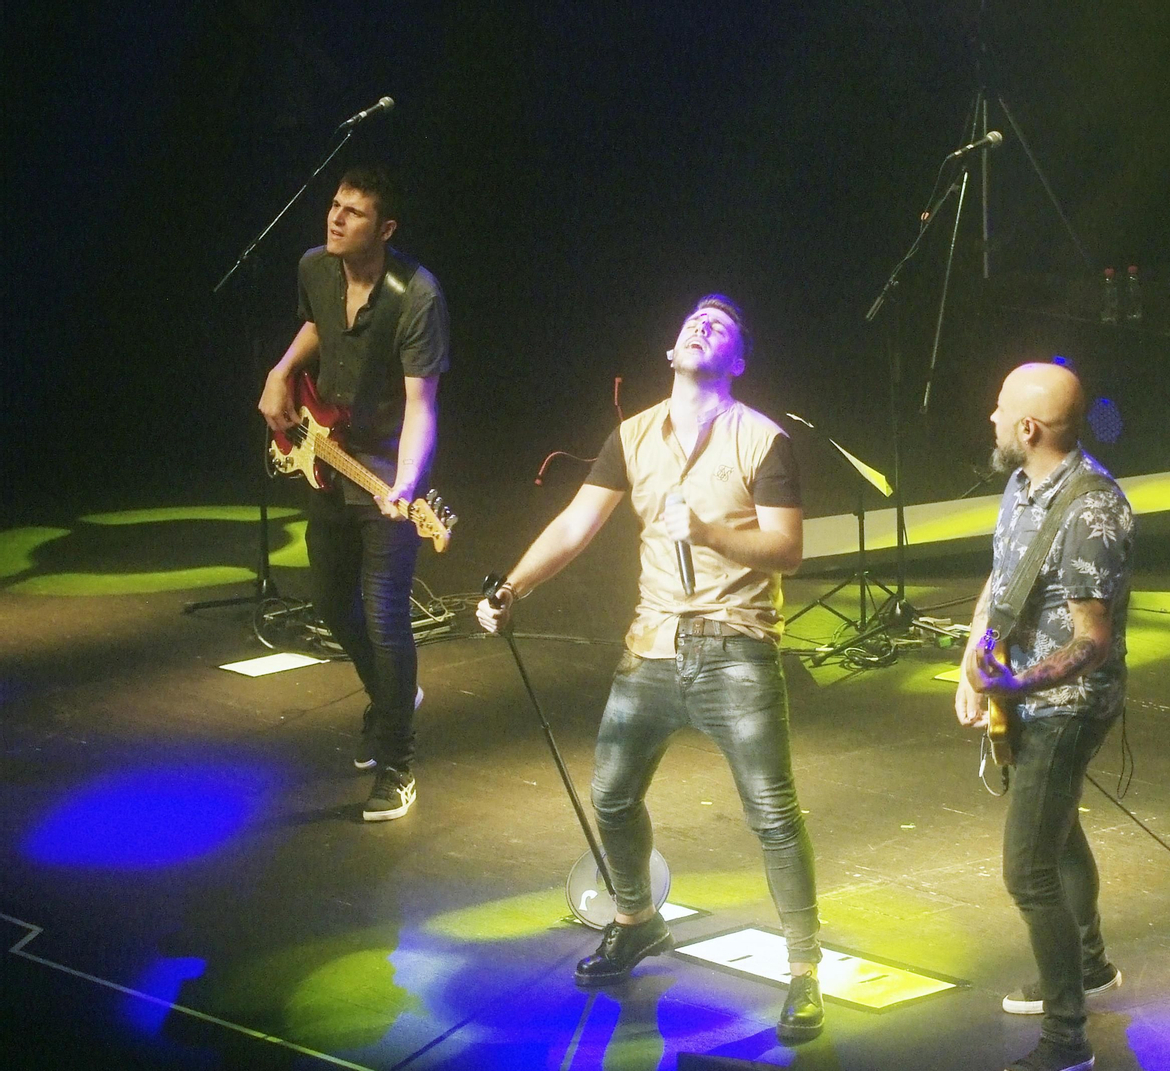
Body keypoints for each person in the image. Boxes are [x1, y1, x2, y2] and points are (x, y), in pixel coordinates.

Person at [475, 295, 824, 1042]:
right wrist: (511, 585)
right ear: (670, 351)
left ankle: (803, 972)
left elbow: (787, 548)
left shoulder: (762, 439)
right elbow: (576, 522)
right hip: (652, 649)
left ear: (736, 361)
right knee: (610, 797)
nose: (701, 327)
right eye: (692, 321)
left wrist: (710, 530)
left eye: (720, 327)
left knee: (773, 815)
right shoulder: (631, 435)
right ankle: (637, 919)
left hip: (736, 647)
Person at [955, 362, 1135, 1071]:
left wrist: (1017, 683)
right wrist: (973, 660)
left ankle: (1067, 1037)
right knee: (1057, 830)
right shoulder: (1023, 482)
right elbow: (1004, 576)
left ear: (1028, 428)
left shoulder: (1093, 511)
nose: (991, 420)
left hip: (1068, 704)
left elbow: (1092, 642)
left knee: (1028, 868)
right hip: (1022, 689)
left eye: (1000, 410)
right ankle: (1088, 963)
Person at [257, 165, 449, 822]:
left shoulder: (417, 295)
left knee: (386, 614)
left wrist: (406, 480)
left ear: (385, 228)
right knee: (333, 606)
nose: (335, 219)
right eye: (334, 206)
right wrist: (281, 371)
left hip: (385, 467)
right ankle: (392, 698)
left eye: (354, 212)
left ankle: (398, 763)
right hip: (326, 459)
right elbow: (317, 328)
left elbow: (423, 404)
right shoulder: (315, 266)